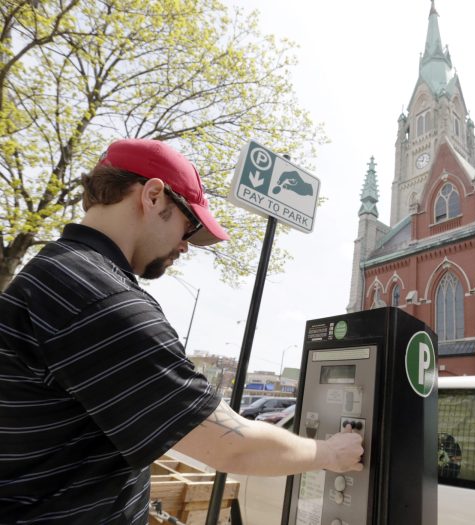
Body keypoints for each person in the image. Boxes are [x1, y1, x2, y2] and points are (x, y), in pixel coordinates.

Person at [0, 139, 363, 524]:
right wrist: (330, 453)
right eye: (188, 225)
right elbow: (231, 447)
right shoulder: (99, 300)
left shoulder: (53, 272)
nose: (186, 246)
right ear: (154, 197)